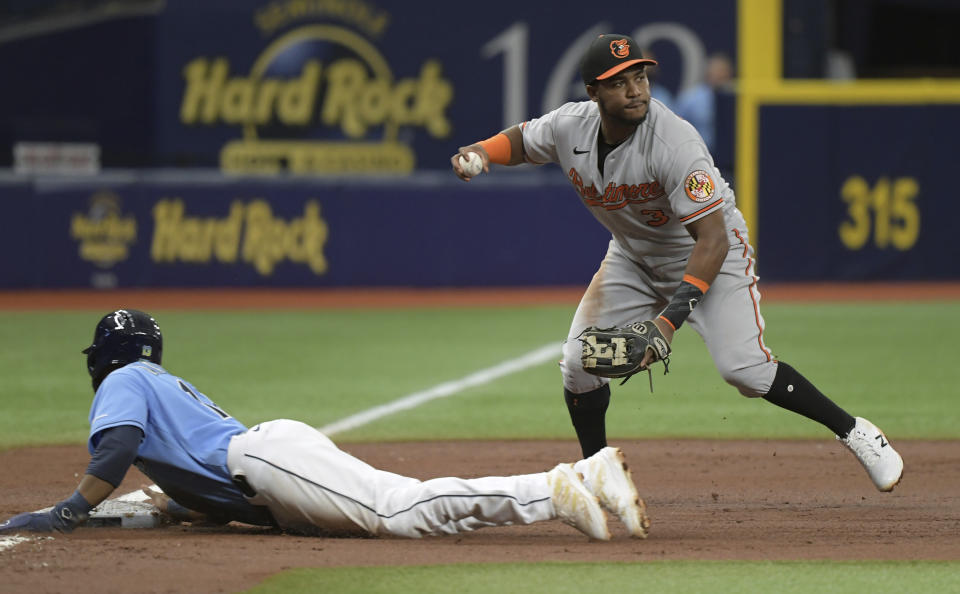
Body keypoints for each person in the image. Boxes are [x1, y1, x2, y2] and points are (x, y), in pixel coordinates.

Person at [450, 34, 903, 493]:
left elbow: (711, 240)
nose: (635, 90)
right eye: (619, 82)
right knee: (578, 364)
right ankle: (599, 475)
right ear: (593, 92)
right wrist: (482, 153)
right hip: (633, 256)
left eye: (640, 77)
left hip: (710, 253)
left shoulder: (674, 141)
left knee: (744, 371)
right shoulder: (571, 125)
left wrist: (667, 323)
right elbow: (522, 141)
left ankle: (857, 432)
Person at [0, 309, 650, 540]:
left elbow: (113, 454)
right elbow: (196, 494)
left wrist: (67, 511)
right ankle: (570, 483)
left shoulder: (121, 382)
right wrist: (147, 512)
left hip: (263, 459)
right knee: (402, 513)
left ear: (104, 359)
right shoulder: (155, 384)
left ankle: (559, 485)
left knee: (400, 510)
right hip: (269, 461)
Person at [674, 52, 734, 152]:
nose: (720, 74)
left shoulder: (736, 100)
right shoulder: (691, 98)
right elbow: (675, 126)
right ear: (708, 72)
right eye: (717, 70)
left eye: (724, 71)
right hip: (698, 154)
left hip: (730, 155)